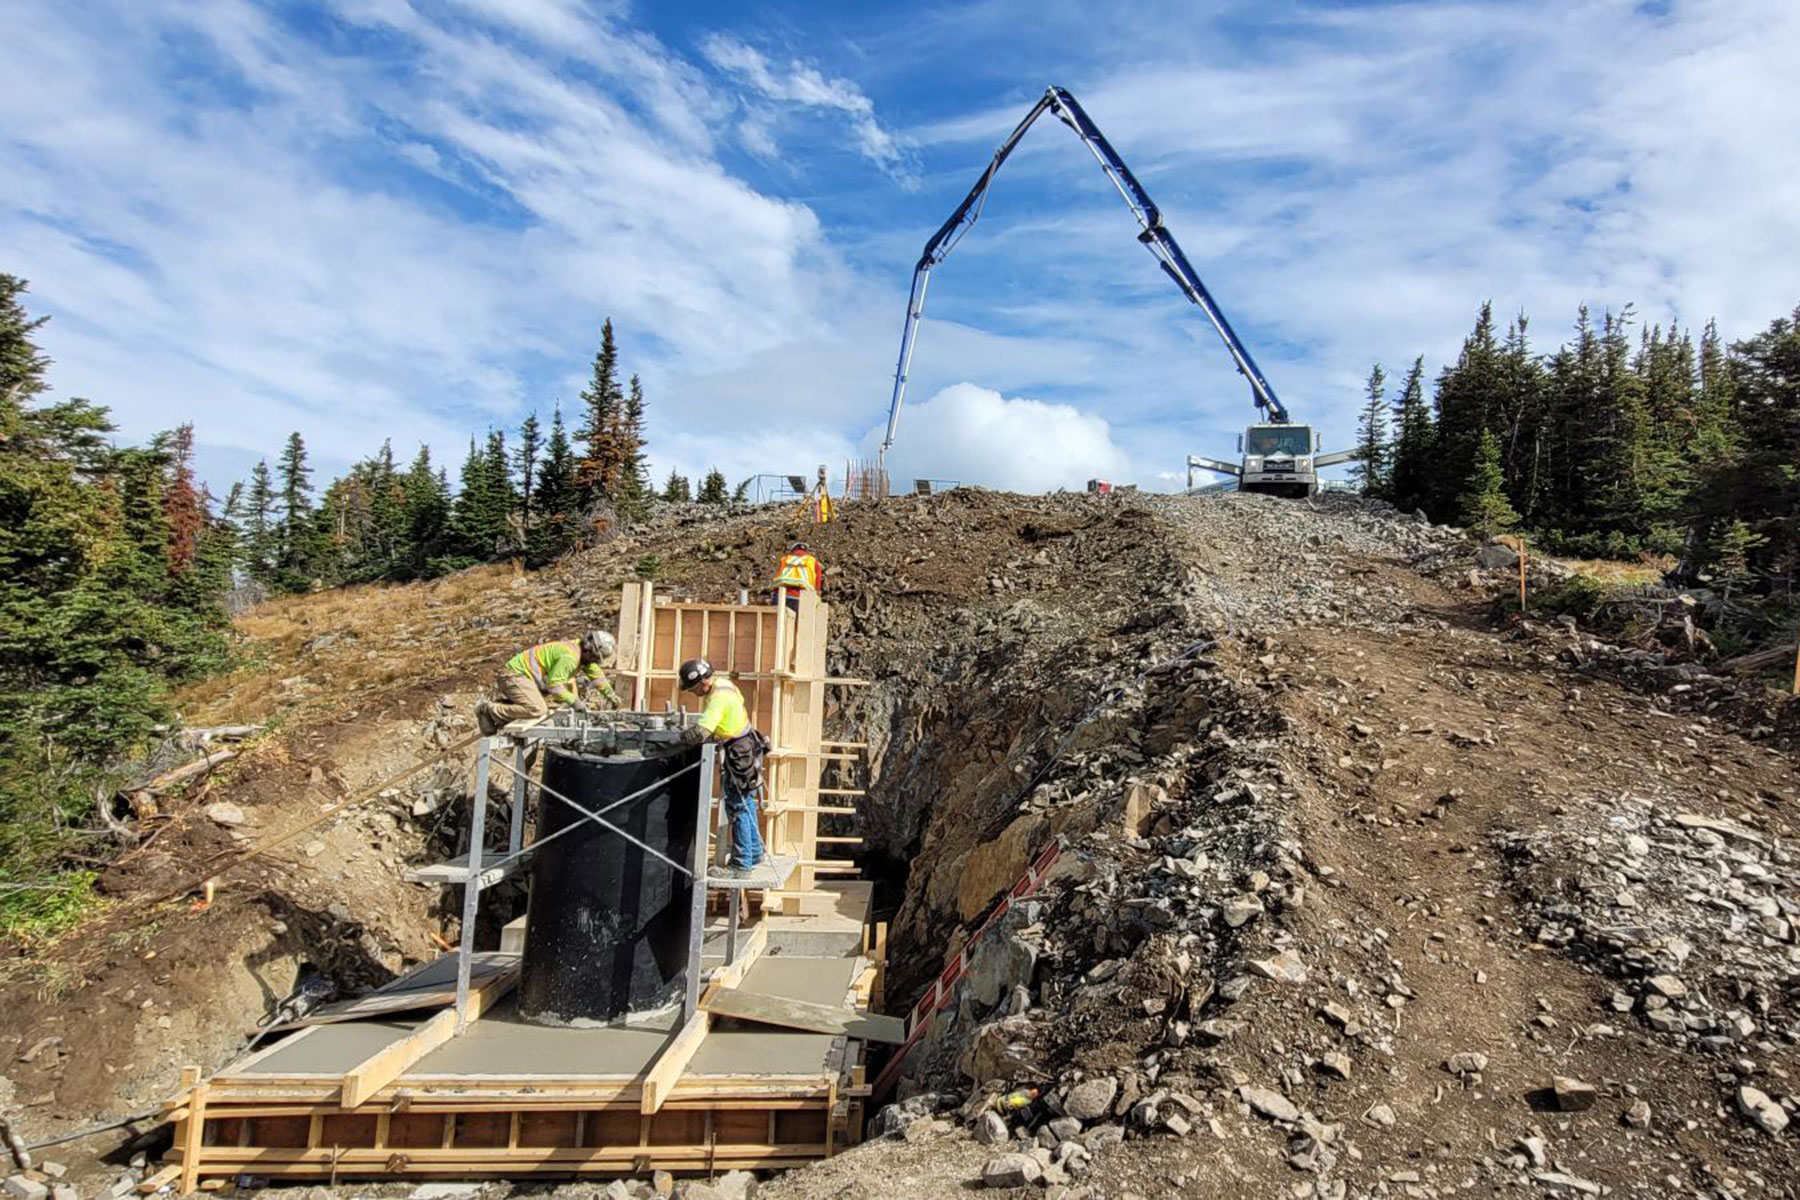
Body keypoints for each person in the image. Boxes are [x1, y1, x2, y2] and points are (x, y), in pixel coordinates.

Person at [677, 657, 769, 878]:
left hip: (738, 751)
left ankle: (741, 865)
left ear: (702, 683)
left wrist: (676, 740)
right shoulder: (725, 684)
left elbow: (701, 732)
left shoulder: (717, 698)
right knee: (747, 804)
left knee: (738, 808)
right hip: (746, 745)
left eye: (692, 688)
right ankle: (754, 852)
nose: (692, 692)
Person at [475, 630, 619, 735]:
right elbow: (555, 687)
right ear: (589, 652)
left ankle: (503, 707)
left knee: (545, 705)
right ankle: (487, 709)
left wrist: (611, 695)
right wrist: (575, 702)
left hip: (525, 678)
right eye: (595, 659)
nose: (595, 662)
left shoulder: (580, 651)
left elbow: (598, 677)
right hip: (514, 676)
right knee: (538, 709)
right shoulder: (569, 657)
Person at [772, 540, 822, 611]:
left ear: (792, 550)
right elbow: (818, 583)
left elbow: (778, 577)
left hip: (782, 596)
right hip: (802, 598)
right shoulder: (813, 561)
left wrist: (774, 594)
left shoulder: (784, 559)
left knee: (778, 620)